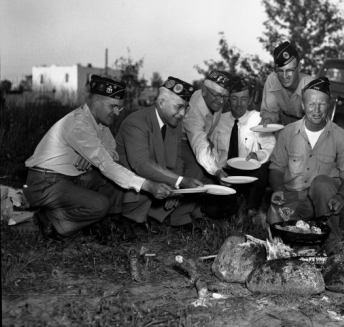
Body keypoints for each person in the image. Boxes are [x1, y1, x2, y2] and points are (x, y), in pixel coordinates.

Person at [23, 75, 173, 241]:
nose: (116, 113)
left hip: (68, 178)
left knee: (118, 170)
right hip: (45, 183)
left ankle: (100, 220)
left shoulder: (100, 124)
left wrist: (94, 155)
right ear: (95, 102)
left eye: (119, 108)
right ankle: (50, 220)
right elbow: (106, 164)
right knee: (100, 204)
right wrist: (147, 185)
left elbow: (111, 151)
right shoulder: (78, 124)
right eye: (113, 106)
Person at [268, 77, 344, 253]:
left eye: (322, 104)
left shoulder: (341, 137)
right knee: (274, 214)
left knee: (322, 183)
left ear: (329, 105)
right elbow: (276, 169)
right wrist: (278, 189)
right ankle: (289, 249)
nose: (316, 110)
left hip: (326, 204)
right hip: (295, 199)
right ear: (303, 105)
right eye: (311, 104)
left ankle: (330, 244)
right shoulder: (287, 133)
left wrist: (340, 196)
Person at [115, 77, 204, 234]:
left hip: (155, 184)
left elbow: (177, 159)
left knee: (197, 174)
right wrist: (180, 181)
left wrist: (176, 187)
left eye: (186, 108)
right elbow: (141, 165)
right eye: (179, 107)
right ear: (162, 103)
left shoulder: (173, 124)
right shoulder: (136, 122)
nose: (182, 114)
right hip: (127, 188)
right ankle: (125, 218)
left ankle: (154, 218)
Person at [210, 75, 276, 215]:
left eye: (244, 99)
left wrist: (257, 156)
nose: (239, 104)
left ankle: (252, 209)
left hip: (249, 175)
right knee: (217, 211)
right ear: (228, 99)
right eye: (234, 98)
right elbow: (212, 150)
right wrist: (217, 171)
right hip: (224, 174)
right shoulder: (218, 120)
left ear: (250, 100)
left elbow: (270, 146)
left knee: (262, 168)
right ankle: (233, 205)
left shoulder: (257, 118)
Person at [181, 70, 233, 183]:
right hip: (179, 142)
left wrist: (217, 168)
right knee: (196, 172)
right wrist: (217, 170)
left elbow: (207, 137)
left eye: (225, 97)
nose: (221, 101)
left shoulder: (213, 101)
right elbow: (199, 142)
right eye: (218, 95)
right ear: (204, 91)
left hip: (201, 139)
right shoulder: (194, 110)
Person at [259, 41, 313, 126]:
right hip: (286, 127)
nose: (284, 76)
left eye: (289, 70)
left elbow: (317, 122)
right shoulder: (272, 80)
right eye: (280, 71)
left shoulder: (311, 87)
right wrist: (267, 120)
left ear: (299, 67)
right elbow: (269, 112)